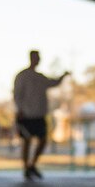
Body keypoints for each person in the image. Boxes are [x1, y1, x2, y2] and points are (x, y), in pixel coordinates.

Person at [13, 50, 68, 180]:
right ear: (31, 58)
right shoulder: (22, 76)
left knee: (43, 140)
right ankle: (26, 167)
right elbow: (17, 94)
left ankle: (32, 165)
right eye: (36, 57)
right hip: (26, 114)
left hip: (39, 115)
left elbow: (53, 82)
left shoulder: (40, 77)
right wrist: (19, 109)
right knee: (26, 141)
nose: (38, 60)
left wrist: (63, 76)